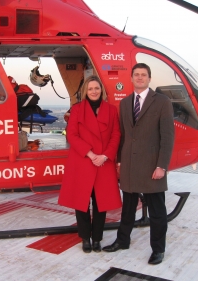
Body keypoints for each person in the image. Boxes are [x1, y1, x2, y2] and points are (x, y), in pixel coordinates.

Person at [102, 63, 174, 265]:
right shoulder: (125, 103)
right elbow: (122, 136)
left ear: (149, 79)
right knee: (127, 209)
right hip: (130, 167)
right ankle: (123, 240)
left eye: (144, 75)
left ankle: (158, 250)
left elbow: (167, 137)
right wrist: (120, 160)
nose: (140, 78)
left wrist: (162, 166)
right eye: (136, 75)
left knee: (158, 213)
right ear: (131, 79)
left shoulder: (162, 102)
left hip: (152, 168)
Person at [58, 75, 122, 253]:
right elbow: (71, 135)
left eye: (97, 88)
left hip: (103, 162)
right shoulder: (77, 110)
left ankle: (97, 239)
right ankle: (85, 238)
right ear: (86, 91)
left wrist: (106, 155)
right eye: (91, 88)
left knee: (101, 203)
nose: (94, 91)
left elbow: (116, 135)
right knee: (82, 202)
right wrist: (91, 153)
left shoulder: (111, 110)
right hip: (83, 160)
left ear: (101, 90)